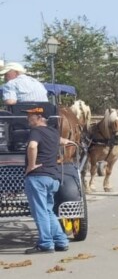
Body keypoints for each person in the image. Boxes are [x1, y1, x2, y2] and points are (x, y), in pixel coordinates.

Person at [21, 106, 70, 254]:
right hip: (53, 178)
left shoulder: (36, 132)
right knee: (48, 211)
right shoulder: (54, 132)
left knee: (40, 211)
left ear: (40, 117)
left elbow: (32, 146)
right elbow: (64, 141)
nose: (28, 118)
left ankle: (46, 244)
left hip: (38, 177)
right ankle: (61, 241)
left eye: (31, 115)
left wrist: (31, 165)